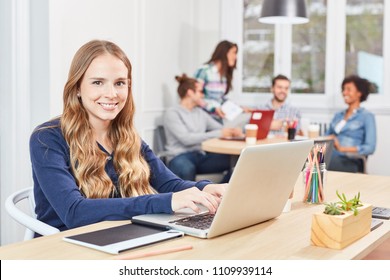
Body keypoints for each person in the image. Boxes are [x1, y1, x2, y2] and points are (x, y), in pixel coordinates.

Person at [29, 40, 226, 233]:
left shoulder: (128, 137)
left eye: (120, 83)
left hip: (117, 236)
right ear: (78, 87)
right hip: (62, 248)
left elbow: (170, 184)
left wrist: (205, 189)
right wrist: (166, 201)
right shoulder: (47, 138)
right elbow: (74, 212)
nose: (112, 93)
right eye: (98, 82)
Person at [163, 74, 243, 183]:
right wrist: (220, 133)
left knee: (237, 160)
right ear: (190, 92)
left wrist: (232, 131)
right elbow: (186, 139)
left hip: (200, 156)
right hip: (178, 156)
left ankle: (220, 196)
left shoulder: (200, 113)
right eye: (201, 91)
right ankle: (190, 199)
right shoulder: (172, 113)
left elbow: (220, 128)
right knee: (186, 169)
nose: (203, 95)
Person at [326, 75, 376, 173]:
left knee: (316, 162)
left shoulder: (367, 116)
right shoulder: (338, 115)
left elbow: (370, 148)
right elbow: (325, 136)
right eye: (343, 89)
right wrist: (328, 138)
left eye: (348, 89)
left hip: (350, 160)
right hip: (331, 154)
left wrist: (342, 148)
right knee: (307, 157)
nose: (344, 93)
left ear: (359, 93)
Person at [194, 40, 240, 122]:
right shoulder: (205, 71)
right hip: (203, 118)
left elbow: (219, 99)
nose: (235, 57)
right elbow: (194, 96)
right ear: (224, 53)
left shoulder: (223, 76)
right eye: (234, 53)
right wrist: (213, 109)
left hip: (217, 119)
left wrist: (239, 108)